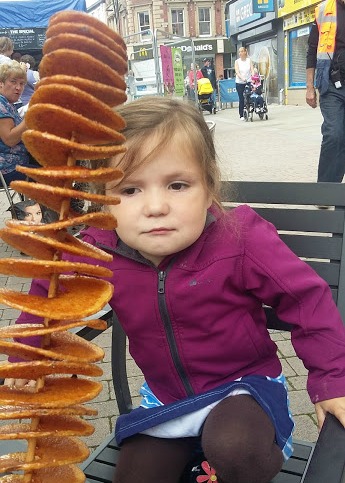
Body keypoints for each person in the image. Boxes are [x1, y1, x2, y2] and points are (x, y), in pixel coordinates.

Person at [7, 97, 345, 483]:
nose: (155, 207)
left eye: (178, 185)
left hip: (243, 389)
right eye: (130, 190)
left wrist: (332, 379)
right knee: (135, 476)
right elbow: (48, 295)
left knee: (235, 449)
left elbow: (306, 299)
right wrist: (26, 355)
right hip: (166, 398)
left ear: (208, 185)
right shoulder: (99, 248)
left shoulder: (241, 237)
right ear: (101, 197)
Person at [306, 0, 345, 182]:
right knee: (334, 134)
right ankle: (325, 190)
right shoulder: (323, 10)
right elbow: (312, 51)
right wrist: (309, 88)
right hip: (331, 83)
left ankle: (337, 197)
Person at [0, 61, 30, 185]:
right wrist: (32, 118)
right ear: (1, 83)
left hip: (18, 162)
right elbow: (10, 139)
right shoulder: (1, 104)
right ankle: (36, 205)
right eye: (13, 82)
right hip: (8, 169)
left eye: (22, 83)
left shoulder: (8, 104)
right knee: (54, 177)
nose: (18, 87)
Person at [235, 47, 254, 120]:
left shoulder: (249, 60)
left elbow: (252, 70)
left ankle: (250, 109)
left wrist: (253, 76)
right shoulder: (237, 61)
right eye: (239, 52)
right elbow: (237, 71)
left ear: (245, 52)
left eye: (242, 51)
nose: (240, 53)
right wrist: (242, 78)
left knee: (250, 95)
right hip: (240, 82)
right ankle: (241, 115)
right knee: (242, 98)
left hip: (248, 81)